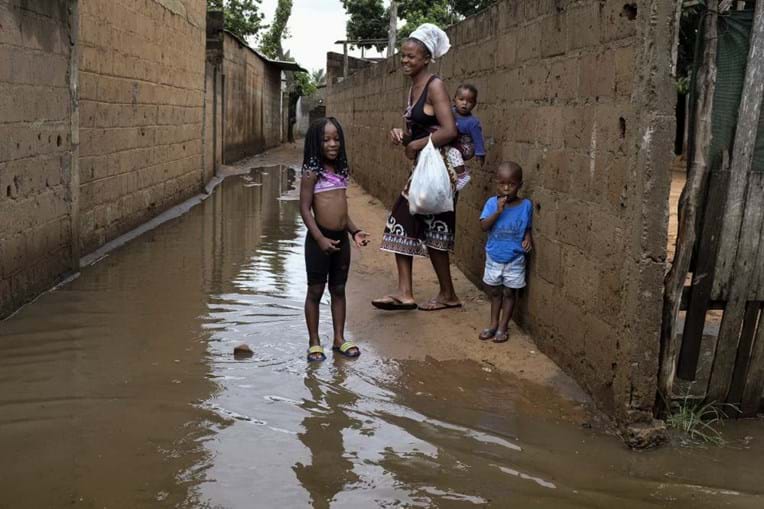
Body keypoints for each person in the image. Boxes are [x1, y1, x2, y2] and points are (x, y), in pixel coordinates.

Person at [372, 23, 462, 312]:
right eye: (403, 56)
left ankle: (425, 293)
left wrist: (417, 144)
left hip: (440, 171)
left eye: (411, 56)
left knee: (405, 221)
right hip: (424, 170)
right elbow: (420, 132)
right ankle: (418, 293)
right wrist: (401, 135)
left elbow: (450, 131)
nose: (405, 61)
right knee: (428, 229)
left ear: (426, 58)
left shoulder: (434, 85)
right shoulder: (413, 89)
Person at [300, 117, 369, 362]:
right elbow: (305, 209)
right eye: (326, 139)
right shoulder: (312, 172)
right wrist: (319, 239)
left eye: (336, 139)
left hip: (340, 240)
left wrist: (354, 231)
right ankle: (314, 341)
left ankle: (339, 338)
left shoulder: (340, 171)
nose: (332, 144)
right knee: (316, 291)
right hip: (319, 241)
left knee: (339, 289)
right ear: (316, 143)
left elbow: (342, 211)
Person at [478, 162, 533, 343]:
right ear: (496, 183)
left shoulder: (526, 205)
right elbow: (484, 226)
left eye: (512, 184)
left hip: (515, 257)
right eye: (502, 184)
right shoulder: (491, 203)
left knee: (510, 293)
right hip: (494, 256)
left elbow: (527, 226)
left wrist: (527, 237)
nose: (507, 188)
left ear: (520, 185)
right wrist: (498, 212)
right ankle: (493, 324)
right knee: (495, 292)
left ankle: (503, 326)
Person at [452, 84, 486, 191]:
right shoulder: (449, 112)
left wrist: (480, 154)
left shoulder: (472, 122)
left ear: (474, 104)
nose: (464, 103)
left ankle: (462, 175)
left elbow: (478, 139)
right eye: (461, 99)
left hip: (466, 146)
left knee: (453, 152)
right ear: (455, 99)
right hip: (455, 143)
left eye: (469, 101)